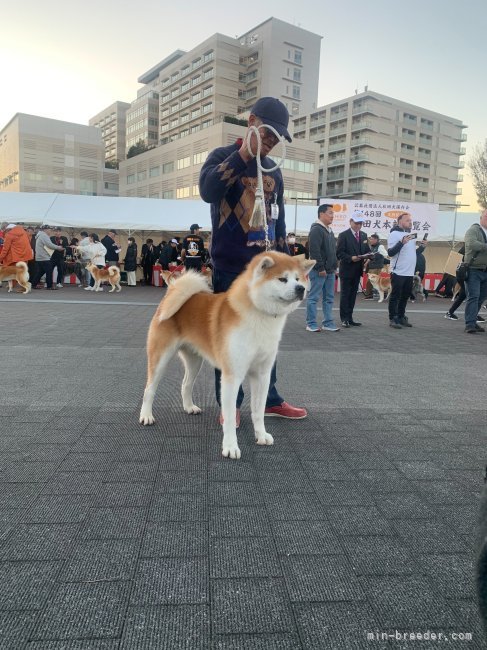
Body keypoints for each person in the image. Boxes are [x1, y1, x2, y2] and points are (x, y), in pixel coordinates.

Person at [199, 95, 307, 422]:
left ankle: (270, 399)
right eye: (268, 133)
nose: (272, 142)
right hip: (230, 268)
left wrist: (288, 265)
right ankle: (229, 406)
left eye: (278, 138)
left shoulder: (274, 170)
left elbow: (280, 220)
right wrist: (245, 154)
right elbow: (208, 190)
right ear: (251, 122)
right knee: (229, 338)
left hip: (267, 273)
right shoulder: (222, 156)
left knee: (268, 337)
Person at [306, 204, 339, 332]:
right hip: (319, 271)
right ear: (321, 214)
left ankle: (328, 323)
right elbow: (314, 251)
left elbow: (332, 251)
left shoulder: (329, 230)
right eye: (330, 213)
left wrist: (334, 266)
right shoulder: (316, 229)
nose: (332, 216)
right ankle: (311, 323)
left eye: (333, 213)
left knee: (329, 298)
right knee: (313, 297)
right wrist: (320, 268)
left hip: (330, 270)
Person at [387, 213, 424, 329]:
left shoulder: (411, 235)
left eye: (411, 220)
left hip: (409, 272)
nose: (410, 222)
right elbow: (390, 253)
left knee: (405, 296)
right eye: (407, 220)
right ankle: (393, 318)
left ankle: (401, 316)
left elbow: (414, 253)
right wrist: (401, 243)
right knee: (395, 296)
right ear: (400, 221)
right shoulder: (394, 234)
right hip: (398, 271)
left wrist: (422, 247)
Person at [336, 212, 371, 327]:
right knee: (345, 295)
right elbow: (339, 253)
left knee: (352, 295)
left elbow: (366, 250)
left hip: (357, 270)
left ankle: (350, 318)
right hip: (346, 270)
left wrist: (371, 255)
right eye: (356, 223)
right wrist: (351, 258)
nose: (358, 225)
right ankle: (344, 319)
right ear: (350, 222)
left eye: (360, 223)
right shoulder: (343, 235)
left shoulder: (364, 235)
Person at [464, 209, 487, 334]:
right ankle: (470, 324)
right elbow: (472, 244)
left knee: (481, 298)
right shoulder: (473, 230)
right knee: (473, 296)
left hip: (485, 270)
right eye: (486, 216)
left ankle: (473, 320)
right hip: (473, 269)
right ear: (481, 217)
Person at [31, 225, 65, 290]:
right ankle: (49, 286)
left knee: (40, 272)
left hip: (39, 257)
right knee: (49, 272)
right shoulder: (44, 235)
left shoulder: (40, 235)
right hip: (44, 257)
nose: (50, 231)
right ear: (45, 230)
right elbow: (49, 245)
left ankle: (33, 284)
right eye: (50, 230)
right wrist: (58, 247)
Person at [363, 234, 388, 300]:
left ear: (376, 240)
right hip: (372, 266)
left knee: (371, 280)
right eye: (370, 239)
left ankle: (370, 295)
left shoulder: (380, 246)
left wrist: (379, 253)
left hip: (376, 266)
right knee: (375, 281)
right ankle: (383, 293)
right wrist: (366, 262)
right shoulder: (372, 247)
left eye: (372, 239)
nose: (370, 240)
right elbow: (371, 256)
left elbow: (385, 254)